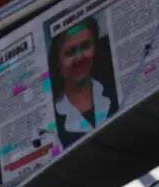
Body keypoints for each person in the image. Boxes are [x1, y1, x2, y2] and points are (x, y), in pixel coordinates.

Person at [50, 16, 119, 148]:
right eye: (70, 52)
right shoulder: (52, 123)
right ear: (57, 62)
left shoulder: (115, 90)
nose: (80, 57)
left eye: (86, 46)